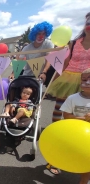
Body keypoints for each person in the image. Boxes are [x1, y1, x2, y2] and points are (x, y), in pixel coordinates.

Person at [45, 12, 90, 174]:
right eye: (88, 20)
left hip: (87, 83)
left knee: (83, 118)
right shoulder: (73, 43)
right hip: (68, 80)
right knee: (59, 114)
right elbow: (63, 65)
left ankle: (80, 155)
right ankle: (54, 155)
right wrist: (54, 83)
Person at [59, 69, 90, 184]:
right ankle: (54, 162)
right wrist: (83, 118)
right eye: (84, 80)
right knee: (62, 150)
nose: (87, 82)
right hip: (72, 132)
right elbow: (66, 116)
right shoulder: (73, 98)